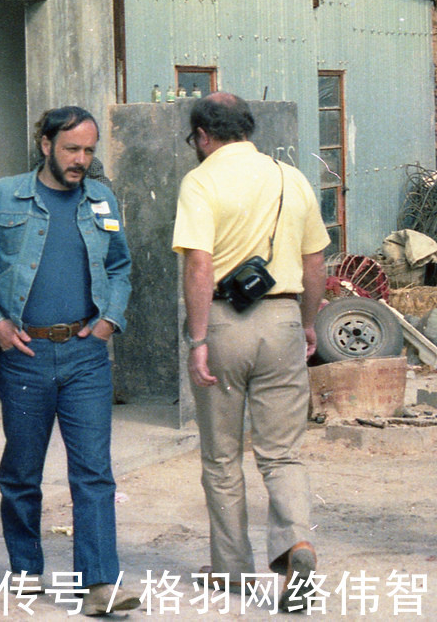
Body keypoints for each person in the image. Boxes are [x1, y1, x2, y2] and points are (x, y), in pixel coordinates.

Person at [0, 106, 139, 616]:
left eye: (88, 150)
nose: (81, 160)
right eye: (71, 150)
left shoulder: (101, 198)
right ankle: (26, 569)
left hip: (85, 354)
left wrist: (109, 319)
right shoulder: (3, 196)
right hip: (24, 354)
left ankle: (100, 583)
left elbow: (120, 265)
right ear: (45, 145)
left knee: (93, 472)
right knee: (22, 468)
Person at [173, 92, 327, 609]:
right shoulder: (292, 178)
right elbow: (315, 263)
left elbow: (198, 265)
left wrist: (197, 340)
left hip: (221, 321)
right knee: (282, 453)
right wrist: (307, 323)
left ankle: (233, 570)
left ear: (202, 135)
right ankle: (296, 544)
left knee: (221, 458)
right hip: (282, 318)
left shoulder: (201, 180)